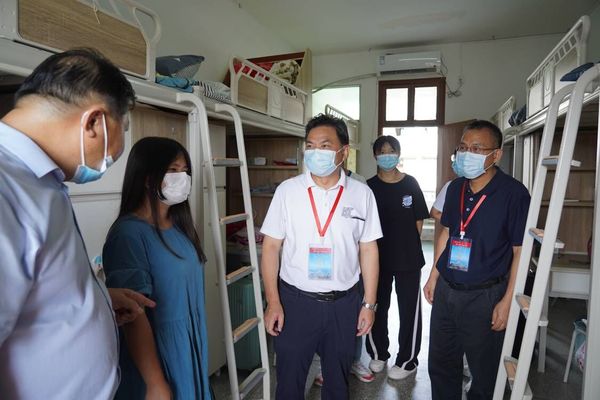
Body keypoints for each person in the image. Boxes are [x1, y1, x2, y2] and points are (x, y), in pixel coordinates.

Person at [0, 48, 154, 399]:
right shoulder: (8, 187)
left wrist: (96, 300)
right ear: (94, 122)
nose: (119, 150)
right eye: (123, 128)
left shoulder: (40, 181)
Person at [261, 113, 382, 399]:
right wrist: (273, 301)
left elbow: (368, 249)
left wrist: (369, 304)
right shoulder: (288, 191)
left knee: (337, 384)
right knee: (289, 383)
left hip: (344, 303)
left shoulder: (362, 194)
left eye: (325, 146)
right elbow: (271, 247)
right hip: (295, 302)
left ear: (344, 152)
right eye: (310, 146)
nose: (316, 152)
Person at [423, 120, 530, 400]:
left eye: (477, 148)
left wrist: (507, 301)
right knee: (441, 365)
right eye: (463, 147)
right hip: (447, 291)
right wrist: (434, 276)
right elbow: (447, 232)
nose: (467, 154)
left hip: (486, 296)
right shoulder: (455, 188)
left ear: (496, 155)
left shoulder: (514, 194)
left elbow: (520, 251)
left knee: (485, 374)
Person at [103, 137, 212, 399]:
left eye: (185, 171)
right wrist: (155, 382)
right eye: (173, 170)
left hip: (188, 344)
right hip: (157, 355)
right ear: (147, 178)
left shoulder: (180, 227)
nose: (182, 178)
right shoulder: (128, 235)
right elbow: (133, 316)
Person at [365, 135, 430, 380]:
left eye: (391, 151)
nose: (387, 155)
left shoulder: (410, 183)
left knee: (409, 310)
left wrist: (407, 245)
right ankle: (378, 353)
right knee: (376, 306)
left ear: (399, 154)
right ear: (375, 156)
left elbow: (418, 220)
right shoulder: (368, 187)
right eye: (382, 151)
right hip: (376, 259)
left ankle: (407, 360)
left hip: (408, 258)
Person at [314, 168, 376, 386]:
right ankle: (325, 366)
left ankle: (354, 361)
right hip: (315, 271)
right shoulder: (301, 186)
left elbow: (365, 237)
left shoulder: (359, 185)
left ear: (344, 152)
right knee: (320, 326)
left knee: (352, 323)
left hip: (349, 271)